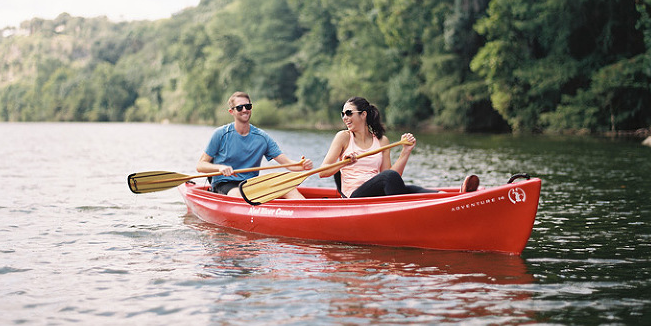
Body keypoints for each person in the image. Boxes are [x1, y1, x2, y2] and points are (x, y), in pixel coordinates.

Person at [319, 96, 479, 198]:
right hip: (355, 197)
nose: (345, 118)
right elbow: (323, 172)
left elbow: (391, 175)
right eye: (343, 114)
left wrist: (405, 152)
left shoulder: (381, 140)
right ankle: (403, 209)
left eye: (348, 113)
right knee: (389, 178)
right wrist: (344, 163)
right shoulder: (343, 137)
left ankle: (451, 197)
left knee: (412, 189)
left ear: (363, 114)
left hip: (376, 194)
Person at [196, 91, 312, 198]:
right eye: (239, 107)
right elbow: (200, 165)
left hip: (250, 184)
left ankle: (306, 211)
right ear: (232, 111)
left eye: (248, 106)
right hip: (225, 183)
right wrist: (220, 167)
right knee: (238, 194)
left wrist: (301, 166)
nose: (244, 110)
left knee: (288, 189)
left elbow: (289, 164)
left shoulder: (262, 137)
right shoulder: (220, 134)